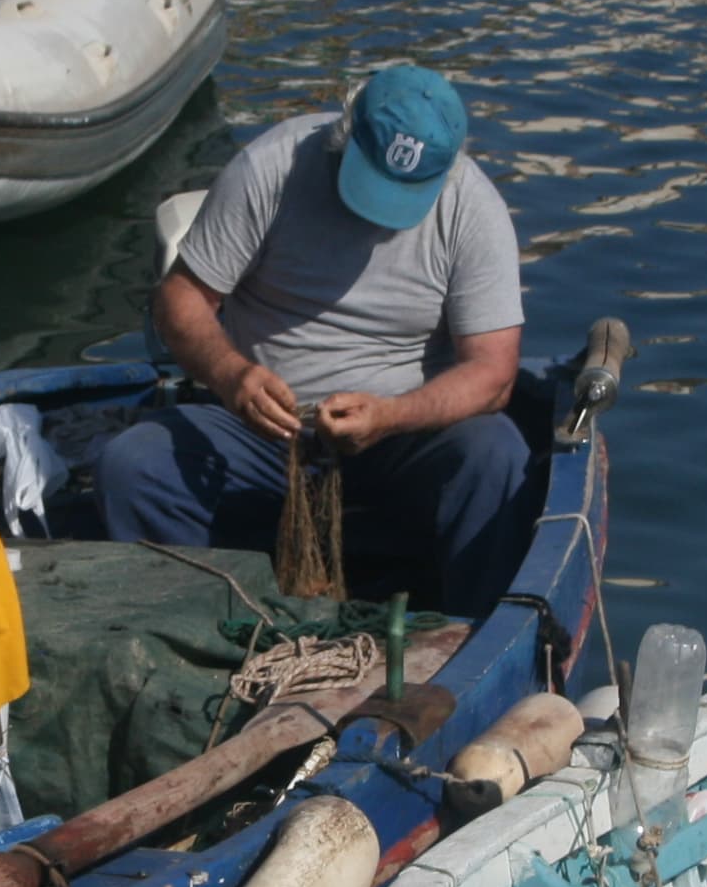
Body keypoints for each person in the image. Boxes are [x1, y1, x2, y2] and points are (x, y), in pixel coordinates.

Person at [98, 64, 534, 613]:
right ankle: (183, 630)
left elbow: (492, 374)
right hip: (264, 433)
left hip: (400, 438)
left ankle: (477, 644)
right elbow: (180, 300)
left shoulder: (474, 209)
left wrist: (391, 417)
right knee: (133, 465)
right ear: (343, 134)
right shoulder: (271, 169)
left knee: (496, 456)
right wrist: (234, 377)